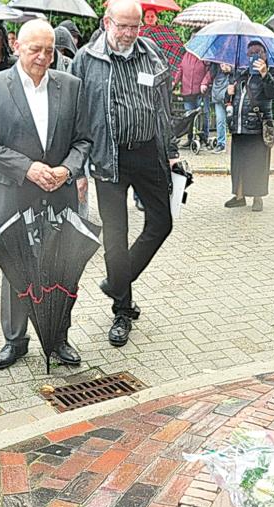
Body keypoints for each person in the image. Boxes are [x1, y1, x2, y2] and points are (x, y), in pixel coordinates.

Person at [0, 20, 92, 370]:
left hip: (59, 190)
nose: (43, 57)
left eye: (49, 50)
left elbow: (83, 139)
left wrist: (68, 169)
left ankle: (58, 338)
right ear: (17, 47)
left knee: (61, 266)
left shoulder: (71, 86)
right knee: (15, 266)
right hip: (13, 191)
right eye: (35, 49)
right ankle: (15, 340)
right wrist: (27, 167)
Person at [71, 0, 177, 348]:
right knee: (116, 237)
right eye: (123, 26)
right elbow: (75, 117)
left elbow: (164, 106)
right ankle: (122, 309)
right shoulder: (86, 60)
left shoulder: (151, 53)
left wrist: (172, 152)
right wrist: (78, 169)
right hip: (108, 157)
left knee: (162, 222)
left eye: (135, 27)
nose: (130, 34)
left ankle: (117, 281)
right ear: (107, 23)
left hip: (148, 153)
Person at [224, 41, 274, 212]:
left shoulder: (272, 72)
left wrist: (265, 75)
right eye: (250, 53)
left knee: (257, 163)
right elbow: (229, 101)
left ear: (265, 55)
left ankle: (258, 198)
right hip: (239, 126)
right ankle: (239, 196)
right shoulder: (241, 74)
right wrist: (228, 94)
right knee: (239, 163)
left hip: (257, 126)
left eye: (258, 52)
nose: (254, 56)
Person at [174, 48, 212, 148]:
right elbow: (180, 69)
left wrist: (205, 82)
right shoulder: (185, 55)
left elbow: (210, 71)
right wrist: (174, 82)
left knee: (203, 114)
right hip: (187, 91)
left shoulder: (204, 55)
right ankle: (190, 138)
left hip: (201, 91)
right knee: (189, 116)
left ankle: (204, 138)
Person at [209, 62, 232, 154]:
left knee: (232, 121)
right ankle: (221, 144)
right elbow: (211, 73)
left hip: (231, 97)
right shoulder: (215, 62)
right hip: (218, 96)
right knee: (220, 121)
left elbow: (240, 73)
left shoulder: (234, 57)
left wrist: (230, 70)